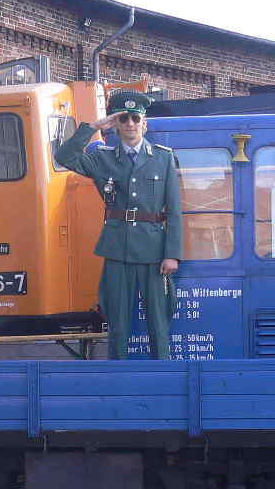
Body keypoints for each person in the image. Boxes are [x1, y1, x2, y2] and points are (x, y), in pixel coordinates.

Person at [56, 91, 182, 359]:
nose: (130, 124)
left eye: (135, 118)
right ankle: (117, 375)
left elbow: (174, 210)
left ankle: (164, 375)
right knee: (117, 322)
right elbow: (64, 156)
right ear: (116, 124)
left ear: (144, 123)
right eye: (123, 119)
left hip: (153, 251)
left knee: (159, 322)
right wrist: (93, 127)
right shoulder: (102, 158)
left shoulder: (163, 158)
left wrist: (172, 254)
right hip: (117, 249)